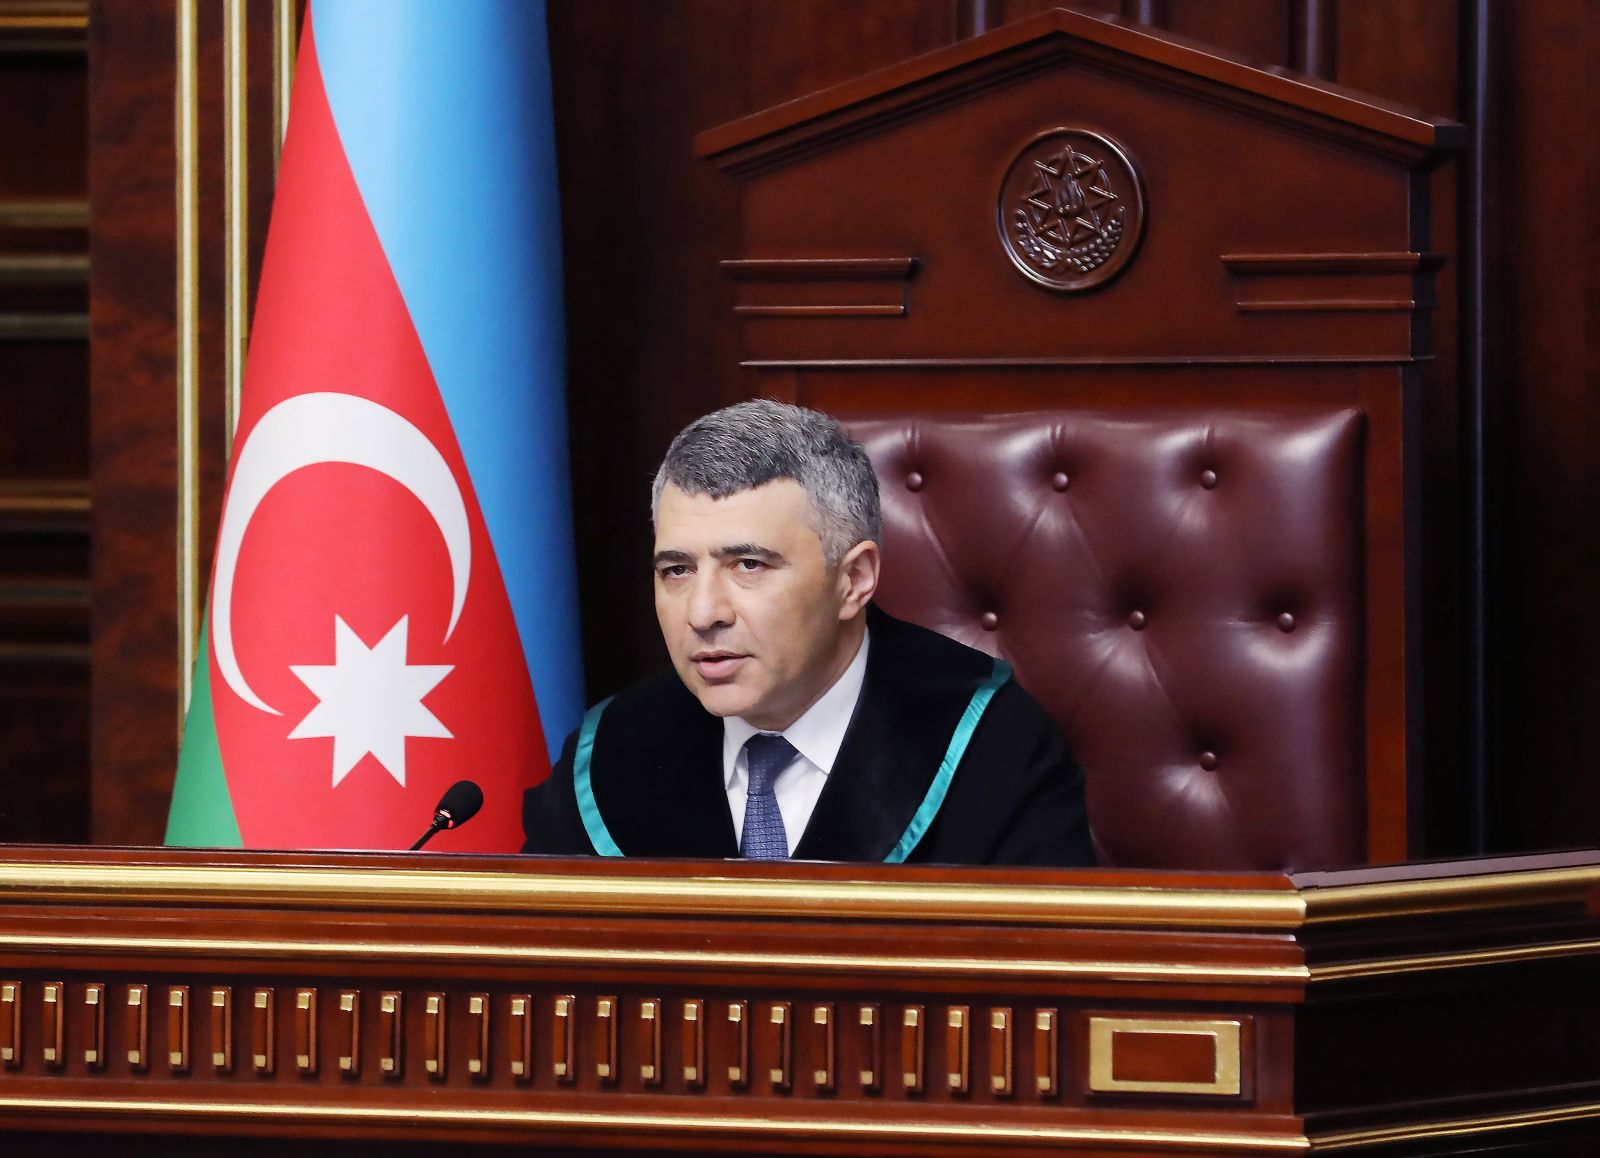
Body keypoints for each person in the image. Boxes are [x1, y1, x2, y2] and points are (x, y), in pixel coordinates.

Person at [521, 400, 1094, 866]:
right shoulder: (610, 754)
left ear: (854, 579)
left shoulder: (991, 747)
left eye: (749, 565)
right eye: (677, 570)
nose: (703, 612)